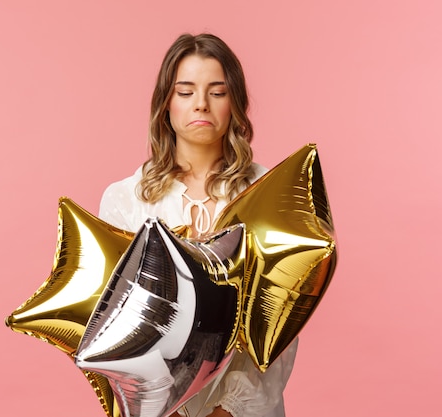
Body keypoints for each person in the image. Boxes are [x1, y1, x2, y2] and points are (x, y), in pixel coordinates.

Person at [98, 33, 298, 417]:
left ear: (235, 102)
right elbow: (113, 325)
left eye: (217, 92)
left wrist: (227, 410)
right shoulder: (125, 200)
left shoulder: (269, 192)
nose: (201, 104)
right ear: (166, 103)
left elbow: (282, 324)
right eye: (186, 91)